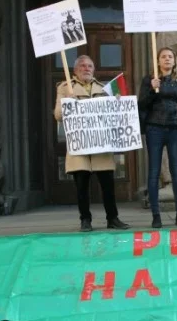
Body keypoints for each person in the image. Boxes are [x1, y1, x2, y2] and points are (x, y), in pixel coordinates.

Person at [54, 55, 130, 232]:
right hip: (79, 145)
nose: (86, 68)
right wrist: (68, 105)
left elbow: (115, 113)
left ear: (94, 70)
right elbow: (58, 115)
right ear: (75, 70)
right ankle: (85, 220)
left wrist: (119, 102)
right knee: (81, 185)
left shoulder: (103, 88)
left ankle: (113, 218)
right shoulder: (65, 88)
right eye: (82, 66)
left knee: (107, 184)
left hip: (100, 144)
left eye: (89, 66)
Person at [138, 47, 177, 228]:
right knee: (154, 171)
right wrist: (152, 89)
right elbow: (141, 104)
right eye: (163, 57)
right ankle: (156, 215)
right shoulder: (149, 80)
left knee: (176, 172)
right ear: (157, 61)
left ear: (174, 62)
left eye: (170, 56)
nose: (167, 59)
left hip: (174, 128)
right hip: (154, 129)